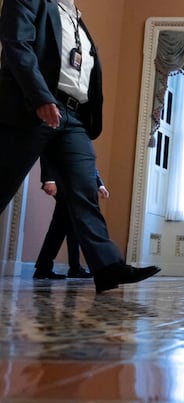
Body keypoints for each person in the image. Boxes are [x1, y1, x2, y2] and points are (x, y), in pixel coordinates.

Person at [0, 0, 160, 293]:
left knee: (85, 191)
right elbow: (16, 45)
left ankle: (108, 267)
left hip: (73, 116)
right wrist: (40, 97)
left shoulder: (75, 16)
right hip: (33, 106)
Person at [32, 160, 106, 280]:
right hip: (66, 186)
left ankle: (54, 268)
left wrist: (100, 184)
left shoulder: (83, 143)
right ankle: (52, 268)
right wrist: (49, 179)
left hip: (77, 188)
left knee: (68, 227)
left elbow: (88, 162)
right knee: (59, 228)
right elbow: (49, 153)